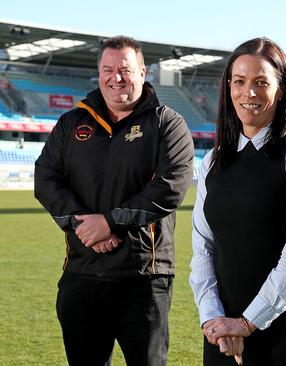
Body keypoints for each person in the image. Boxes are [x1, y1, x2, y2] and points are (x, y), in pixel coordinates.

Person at [34, 35, 194, 365]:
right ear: (99, 72)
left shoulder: (168, 124)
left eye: (125, 69)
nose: (115, 77)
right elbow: (45, 178)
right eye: (108, 69)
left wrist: (108, 223)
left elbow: (169, 187)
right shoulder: (71, 123)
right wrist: (82, 223)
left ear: (143, 72)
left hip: (144, 279)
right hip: (81, 275)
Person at [189, 37, 286, 366]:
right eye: (239, 82)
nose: (248, 93)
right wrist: (213, 318)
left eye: (261, 82)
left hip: (283, 332)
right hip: (222, 333)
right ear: (228, 87)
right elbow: (202, 248)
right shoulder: (213, 160)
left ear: (281, 89)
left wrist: (248, 322)